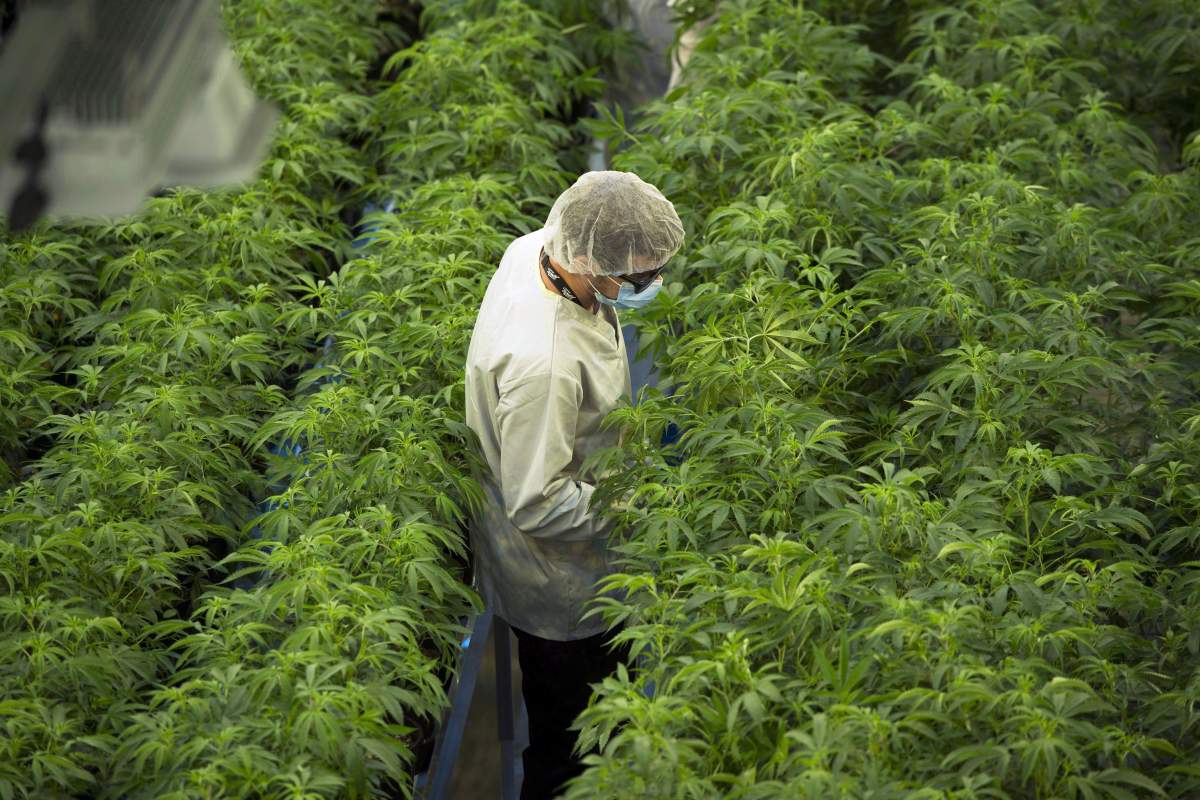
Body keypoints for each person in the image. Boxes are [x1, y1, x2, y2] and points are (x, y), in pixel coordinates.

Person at [464, 170, 685, 800]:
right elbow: (538, 501)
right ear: (590, 260)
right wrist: (636, 510)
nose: (650, 285)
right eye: (638, 277)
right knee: (572, 744)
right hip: (558, 580)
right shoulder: (545, 363)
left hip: (575, 499)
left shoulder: (539, 248)